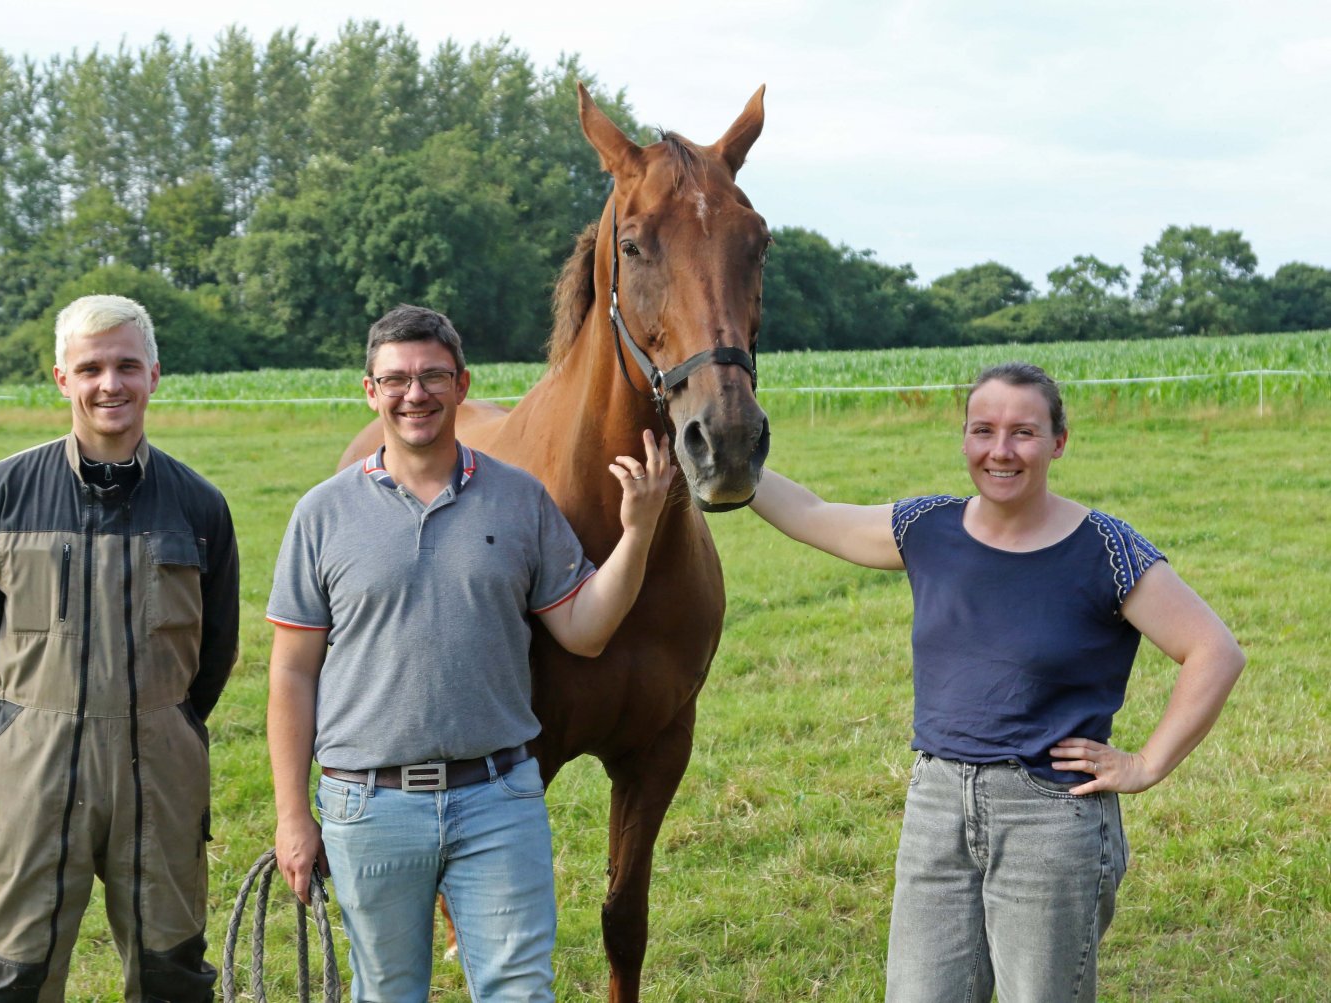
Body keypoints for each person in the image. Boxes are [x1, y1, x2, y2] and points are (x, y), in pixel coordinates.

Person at [749, 361, 1244, 1003]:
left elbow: (1214, 652)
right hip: (936, 804)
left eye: (1023, 433)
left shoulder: (1106, 549)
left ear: (1058, 442)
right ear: (964, 439)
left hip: (1049, 817)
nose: (1000, 451)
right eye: (983, 430)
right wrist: (719, 454)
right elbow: (813, 513)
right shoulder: (927, 528)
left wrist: (1146, 764)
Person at [266, 304, 672, 1002]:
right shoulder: (322, 514)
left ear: (462, 384)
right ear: (370, 391)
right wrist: (292, 814)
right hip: (369, 802)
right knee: (387, 991)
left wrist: (637, 532)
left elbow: (584, 629)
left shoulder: (520, 500)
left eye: (432, 376)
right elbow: (292, 672)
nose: (414, 393)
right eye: (395, 379)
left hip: (497, 797)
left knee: (520, 990)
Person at [0, 295, 240, 1002]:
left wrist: (169, 725)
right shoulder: (1, 495)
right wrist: (9, 741)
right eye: (91, 368)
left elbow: (216, 648)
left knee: (170, 970)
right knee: (9, 974)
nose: (111, 384)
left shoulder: (198, 504)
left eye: (127, 365)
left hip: (160, 770)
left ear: (154, 374)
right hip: (29, 769)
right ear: (61, 378)